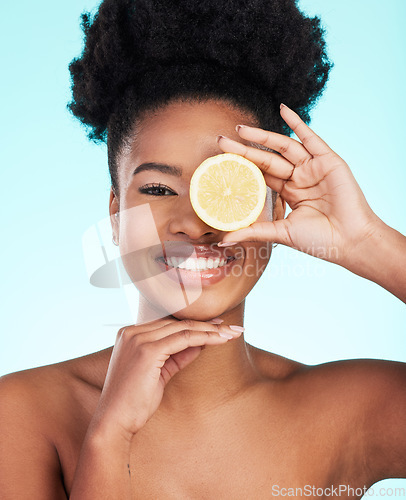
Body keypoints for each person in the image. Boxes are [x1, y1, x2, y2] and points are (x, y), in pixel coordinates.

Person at [0, 0, 405, 498]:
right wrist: (107, 439)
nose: (194, 225)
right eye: (157, 190)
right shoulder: (20, 412)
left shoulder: (350, 411)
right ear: (114, 213)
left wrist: (368, 243)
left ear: (276, 209)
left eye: (229, 190)